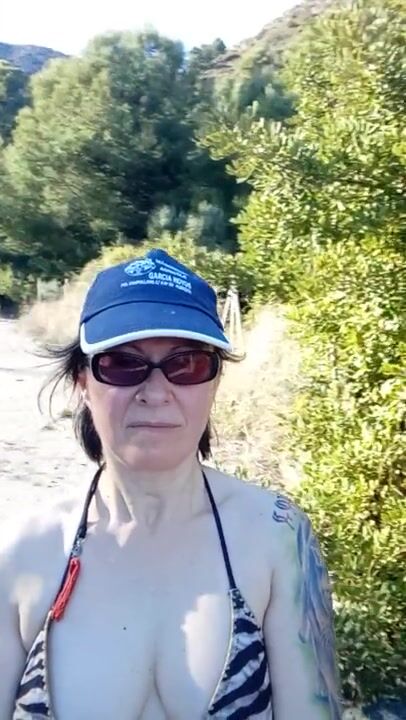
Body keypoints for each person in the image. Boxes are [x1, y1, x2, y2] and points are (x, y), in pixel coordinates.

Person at [0, 248, 342, 720]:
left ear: (214, 383)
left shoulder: (278, 537)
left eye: (188, 365)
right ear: (83, 382)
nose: (156, 392)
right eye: (122, 364)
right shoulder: (21, 550)